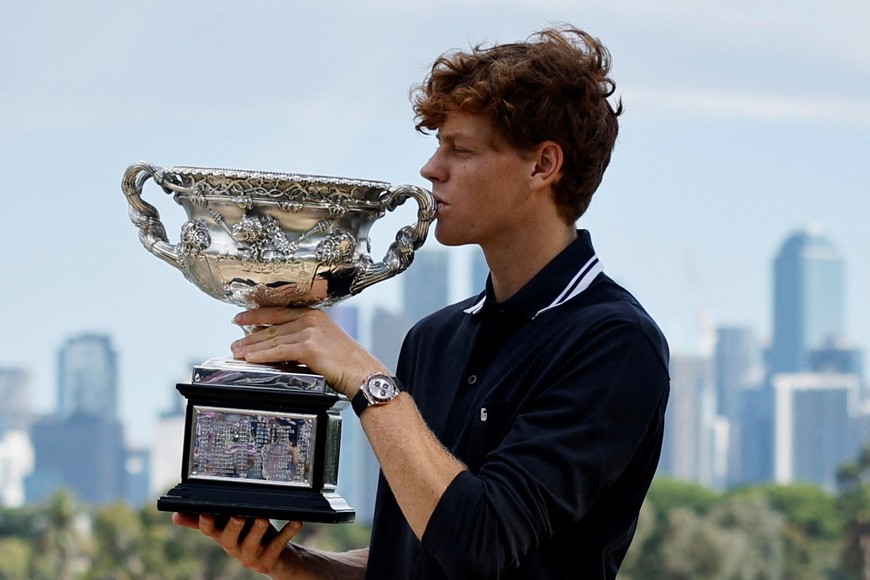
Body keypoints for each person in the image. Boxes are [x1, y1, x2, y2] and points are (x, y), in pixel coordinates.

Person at [173, 24, 670, 579]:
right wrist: (298, 565)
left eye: (461, 148)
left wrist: (367, 379)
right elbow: (418, 560)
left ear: (542, 166)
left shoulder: (614, 343)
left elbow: (482, 542)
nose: (432, 168)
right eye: (438, 146)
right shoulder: (435, 340)